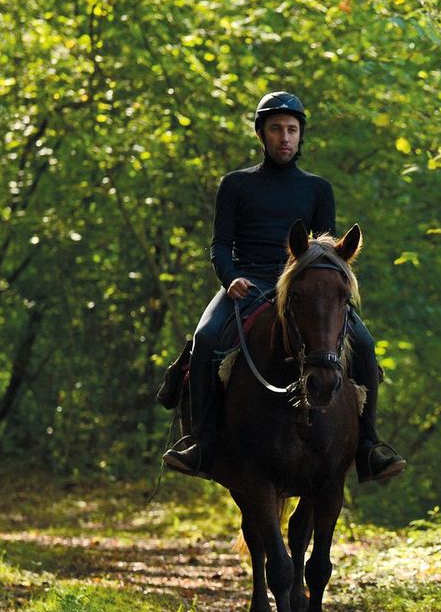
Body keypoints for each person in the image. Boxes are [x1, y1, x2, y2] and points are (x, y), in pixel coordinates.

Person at [162, 91, 406, 484]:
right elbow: (220, 244)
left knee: (364, 343)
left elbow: (327, 250)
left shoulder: (318, 188)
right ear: (261, 134)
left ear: (300, 135)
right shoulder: (236, 184)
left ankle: (368, 446)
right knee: (205, 338)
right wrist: (230, 277)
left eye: (292, 129)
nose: (285, 137)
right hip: (247, 283)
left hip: (306, 288)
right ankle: (200, 443)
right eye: (276, 129)